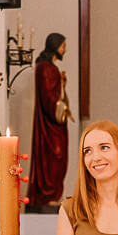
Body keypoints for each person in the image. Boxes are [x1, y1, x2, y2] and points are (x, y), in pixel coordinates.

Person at [28, 33, 70, 206]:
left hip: (53, 123)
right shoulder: (47, 68)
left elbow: (55, 93)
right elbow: (49, 99)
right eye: (63, 46)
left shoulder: (48, 67)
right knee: (54, 158)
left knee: (56, 159)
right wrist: (61, 109)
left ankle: (52, 195)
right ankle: (48, 195)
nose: (64, 50)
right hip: (51, 125)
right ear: (55, 46)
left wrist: (62, 84)